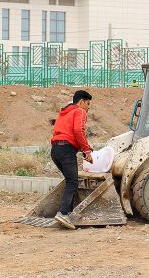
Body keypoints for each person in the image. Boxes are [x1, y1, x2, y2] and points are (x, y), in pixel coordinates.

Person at [50, 89, 94, 230]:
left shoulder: (64, 112)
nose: (88, 108)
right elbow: (78, 131)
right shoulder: (79, 111)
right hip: (66, 150)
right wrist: (86, 150)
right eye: (88, 104)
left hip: (56, 150)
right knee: (72, 181)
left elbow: (67, 133)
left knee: (70, 181)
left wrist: (84, 147)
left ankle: (67, 212)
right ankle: (63, 213)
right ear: (81, 102)